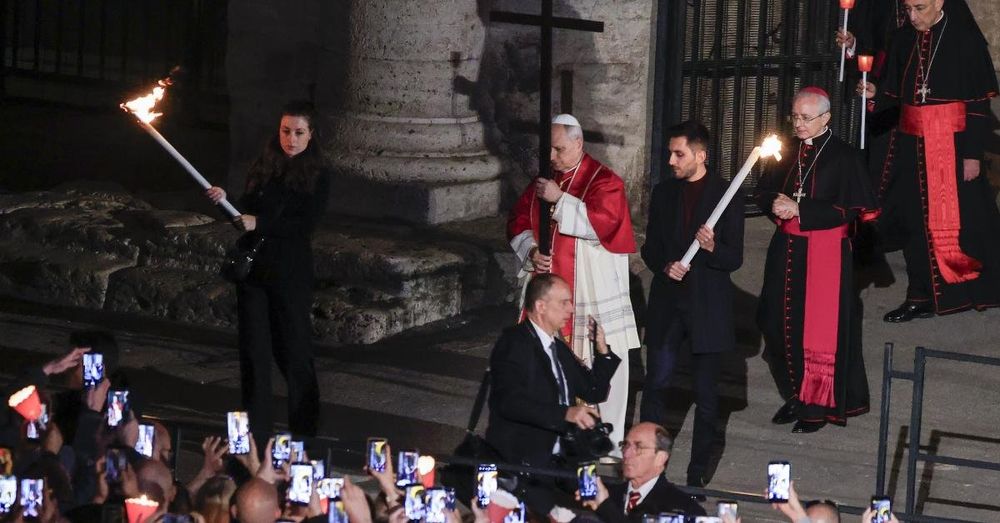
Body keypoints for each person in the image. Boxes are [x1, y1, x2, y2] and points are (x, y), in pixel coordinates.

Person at [860, 0, 1000, 322]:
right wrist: (874, 95)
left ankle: (972, 289)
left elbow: (977, 104)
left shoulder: (964, 39)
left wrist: (971, 155)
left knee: (966, 224)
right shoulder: (903, 38)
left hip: (952, 147)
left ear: (939, 3)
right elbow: (893, 94)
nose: (912, 16)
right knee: (914, 224)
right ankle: (919, 295)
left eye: (919, 8)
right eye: (908, 9)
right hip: (911, 147)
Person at [506, 114, 640, 451]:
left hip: (589, 296)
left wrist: (560, 200)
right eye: (549, 149)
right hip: (550, 295)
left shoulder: (605, 180)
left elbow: (604, 225)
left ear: (579, 143)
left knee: (597, 365)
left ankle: (602, 444)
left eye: (559, 149)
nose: (552, 157)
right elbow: (519, 220)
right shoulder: (544, 181)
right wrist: (531, 250)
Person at [756, 87, 878, 433]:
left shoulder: (846, 157)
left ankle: (816, 405)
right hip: (787, 249)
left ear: (825, 118)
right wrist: (774, 202)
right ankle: (797, 394)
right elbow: (764, 190)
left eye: (806, 118)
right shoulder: (787, 150)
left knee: (816, 332)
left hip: (825, 254)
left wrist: (801, 209)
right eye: (794, 116)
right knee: (776, 323)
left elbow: (854, 209)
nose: (798, 124)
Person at [207, 100, 330, 438]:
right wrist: (225, 201)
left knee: (294, 355)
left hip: (289, 276)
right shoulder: (266, 165)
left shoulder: (318, 174)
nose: (291, 139)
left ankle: (305, 436)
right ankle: (254, 437)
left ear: (311, 135)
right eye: (286, 131)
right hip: (254, 275)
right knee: (254, 358)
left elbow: (303, 224)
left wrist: (259, 222)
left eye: (299, 132)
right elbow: (243, 214)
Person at [639, 120, 744, 488]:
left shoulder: (726, 194)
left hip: (706, 308)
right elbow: (650, 247)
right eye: (670, 152)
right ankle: (648, 467)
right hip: (668, 303)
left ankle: (697, 474)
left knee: (706, 395)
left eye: (678, 153)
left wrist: (713, 248)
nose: (670, 159)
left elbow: (735, 258)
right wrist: (663, 264)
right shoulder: (664, 192)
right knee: (656, 385)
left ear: (700, 155)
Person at [485, 273, 620, 512]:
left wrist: (602, 350)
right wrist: (565, 414)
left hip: (564, 462)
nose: (570, 308)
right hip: (525, 463)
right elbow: (508, 402)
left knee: (605, 506)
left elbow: (593, 390)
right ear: (540, 306)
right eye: (563, 302)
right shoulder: (514, 343)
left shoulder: (557, 348)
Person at [582, 423, 706, 521]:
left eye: (638, 447)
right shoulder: (608, 494)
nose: (626, 453)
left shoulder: (684, 509)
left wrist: (605, 506)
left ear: (660, 458)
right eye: (625, 445)